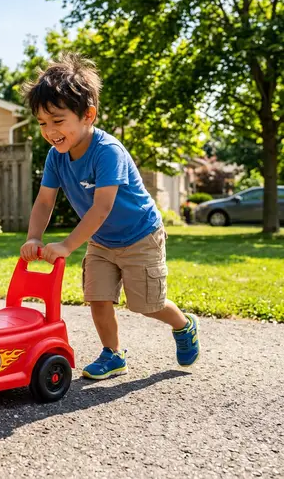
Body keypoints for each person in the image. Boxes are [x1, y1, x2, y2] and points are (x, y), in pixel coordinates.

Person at [20, 53, 200, 380]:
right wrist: (34, 236)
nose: (49, 131)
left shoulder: (107, 151)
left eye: (58, 121)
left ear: (88, 115)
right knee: (97, 297)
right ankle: (113, 354)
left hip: (140, 235)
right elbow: (45, 201)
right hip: (101, 241)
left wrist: (67, 245)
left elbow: (102, 207)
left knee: (146, 304)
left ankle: (184, 325)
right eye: (43, 123)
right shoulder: (55, 157)